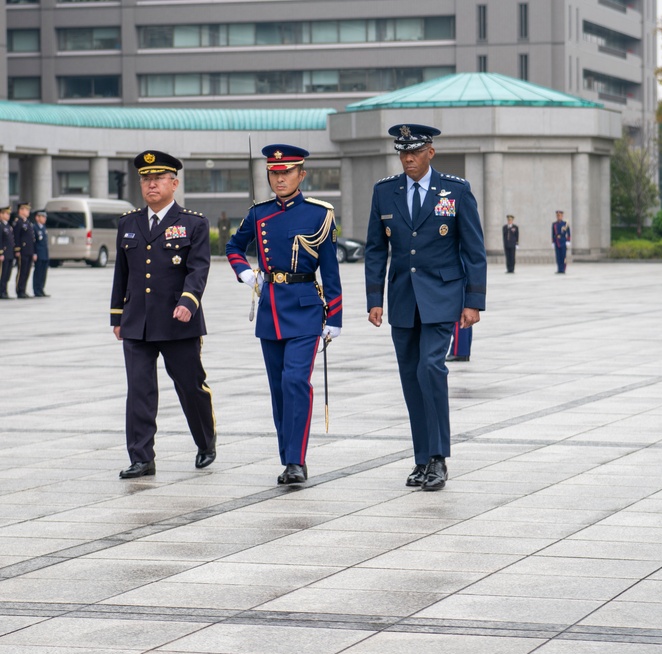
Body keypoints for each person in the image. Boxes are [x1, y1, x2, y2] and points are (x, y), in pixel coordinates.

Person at [364, 123, 487, 491]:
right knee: (410, 378)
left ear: (430, 152)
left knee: (431, 369)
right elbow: (375, 249)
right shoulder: (385, 192)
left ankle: (438, 457)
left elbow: (474, 250)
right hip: (402, 298)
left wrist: (474, 302)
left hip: (442, 297)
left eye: (415, 152)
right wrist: (374, 300)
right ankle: (421, 459)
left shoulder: (456, 190)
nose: (408, 159)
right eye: (403, 153)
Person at [225, 143, 342, 486]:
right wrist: (245, 273)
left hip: (305, 308)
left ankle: (296, 461)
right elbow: (234, 246)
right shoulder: (258, 213)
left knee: (295, 382)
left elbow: (330, 270)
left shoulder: (319, 214)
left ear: (301, 174)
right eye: (274, 173)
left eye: (286, 172)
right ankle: (287, 457)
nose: (279, 178)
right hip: (271, 309)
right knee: (278, 389)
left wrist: (334, 316)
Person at [110, 150, 217, 479]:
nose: (150, 184)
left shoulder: (193, 223)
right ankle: (142, 457)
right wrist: (117, 315)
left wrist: (189, 300)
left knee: (190, 385)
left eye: (157, 178)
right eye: (145, 179)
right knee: (139, 390)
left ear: (174, 183)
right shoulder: (128, 223)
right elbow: (122, 272)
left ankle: (205, 441)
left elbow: (198, 268)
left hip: (178, 321)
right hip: (137, 322)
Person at [12, 202, 34, 299]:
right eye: (26, 209)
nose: (28, 211)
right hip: (22, 251)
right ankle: (19, 290)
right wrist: (17, 250)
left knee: (27, 271)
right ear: (21, 210)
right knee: (21, 271)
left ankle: (23, 289)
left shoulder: (27, 222)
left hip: (28, 250)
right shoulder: (18, 222)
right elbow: (16, 237)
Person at [31, 210, 49, 297]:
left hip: (44, 253)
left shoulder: (44, 228)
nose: (44, 219)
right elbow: (34, 242)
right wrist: (34, 253)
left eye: (45, 217)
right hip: (38, 253)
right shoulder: (34, 228)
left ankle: (41, 289)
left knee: (43, 273)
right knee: (38, 273)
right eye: (42, 217)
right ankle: (36, 290)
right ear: (37, 218)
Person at [0, 205, 14, 299]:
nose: (8, 215)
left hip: (9, 253)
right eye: (6, 213)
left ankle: (5, 291)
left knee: (7, 274)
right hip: (3, 254)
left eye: (9, 214)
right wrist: (0, 253)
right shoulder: (1, 226)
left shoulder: (8, 226)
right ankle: (1, 292)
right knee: (2, 274)